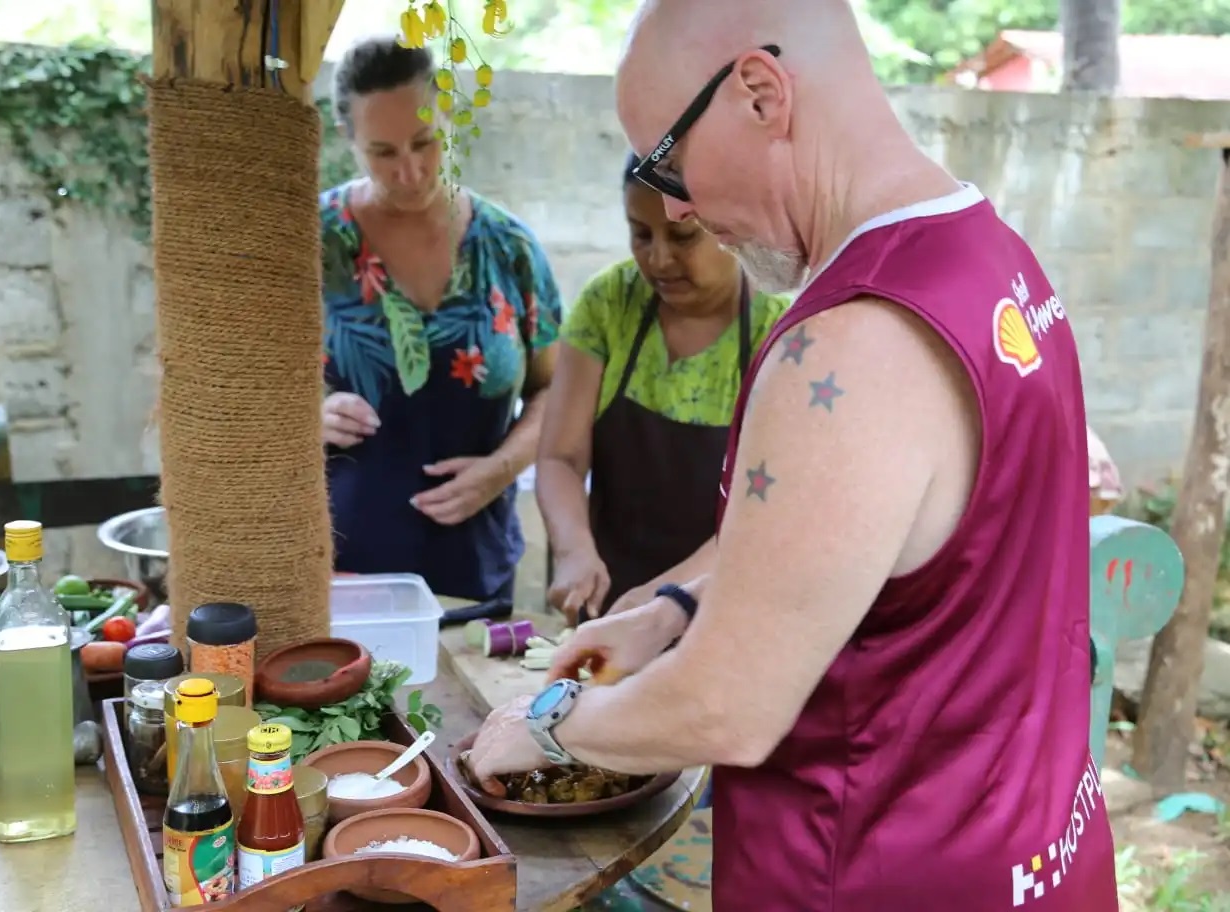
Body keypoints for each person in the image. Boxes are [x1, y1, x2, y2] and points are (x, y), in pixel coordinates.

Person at [468, 2, 1117, 910]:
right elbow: (856, 549)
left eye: (668, 159)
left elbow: (730, 704)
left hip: (875, 877)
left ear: (761, 93)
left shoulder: (847, 345)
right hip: (1038, 852)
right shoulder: (999, 261)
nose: (678, 202)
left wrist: (549, 725)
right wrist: (674, 609)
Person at [320, 36, 561, 603]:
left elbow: (557, 390)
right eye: (383, 151)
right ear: (347, 140)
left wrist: (503, 468)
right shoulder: (312, 242)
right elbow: (247, 390)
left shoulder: (509, 247)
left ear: (447, 116)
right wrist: (307, 414)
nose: (410, 170)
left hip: (474, 571)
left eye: (425, 141)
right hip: (336, 575)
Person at [537, 152, 788, 621]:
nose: (658, 257)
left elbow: (761, 514)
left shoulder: (778, 337)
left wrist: (668, 599)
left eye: (682, 236)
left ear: (729, 228)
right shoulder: (609, 302)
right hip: (607, 602)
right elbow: (560, 458)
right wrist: (574, 550)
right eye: (640, 233)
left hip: (720, 609)